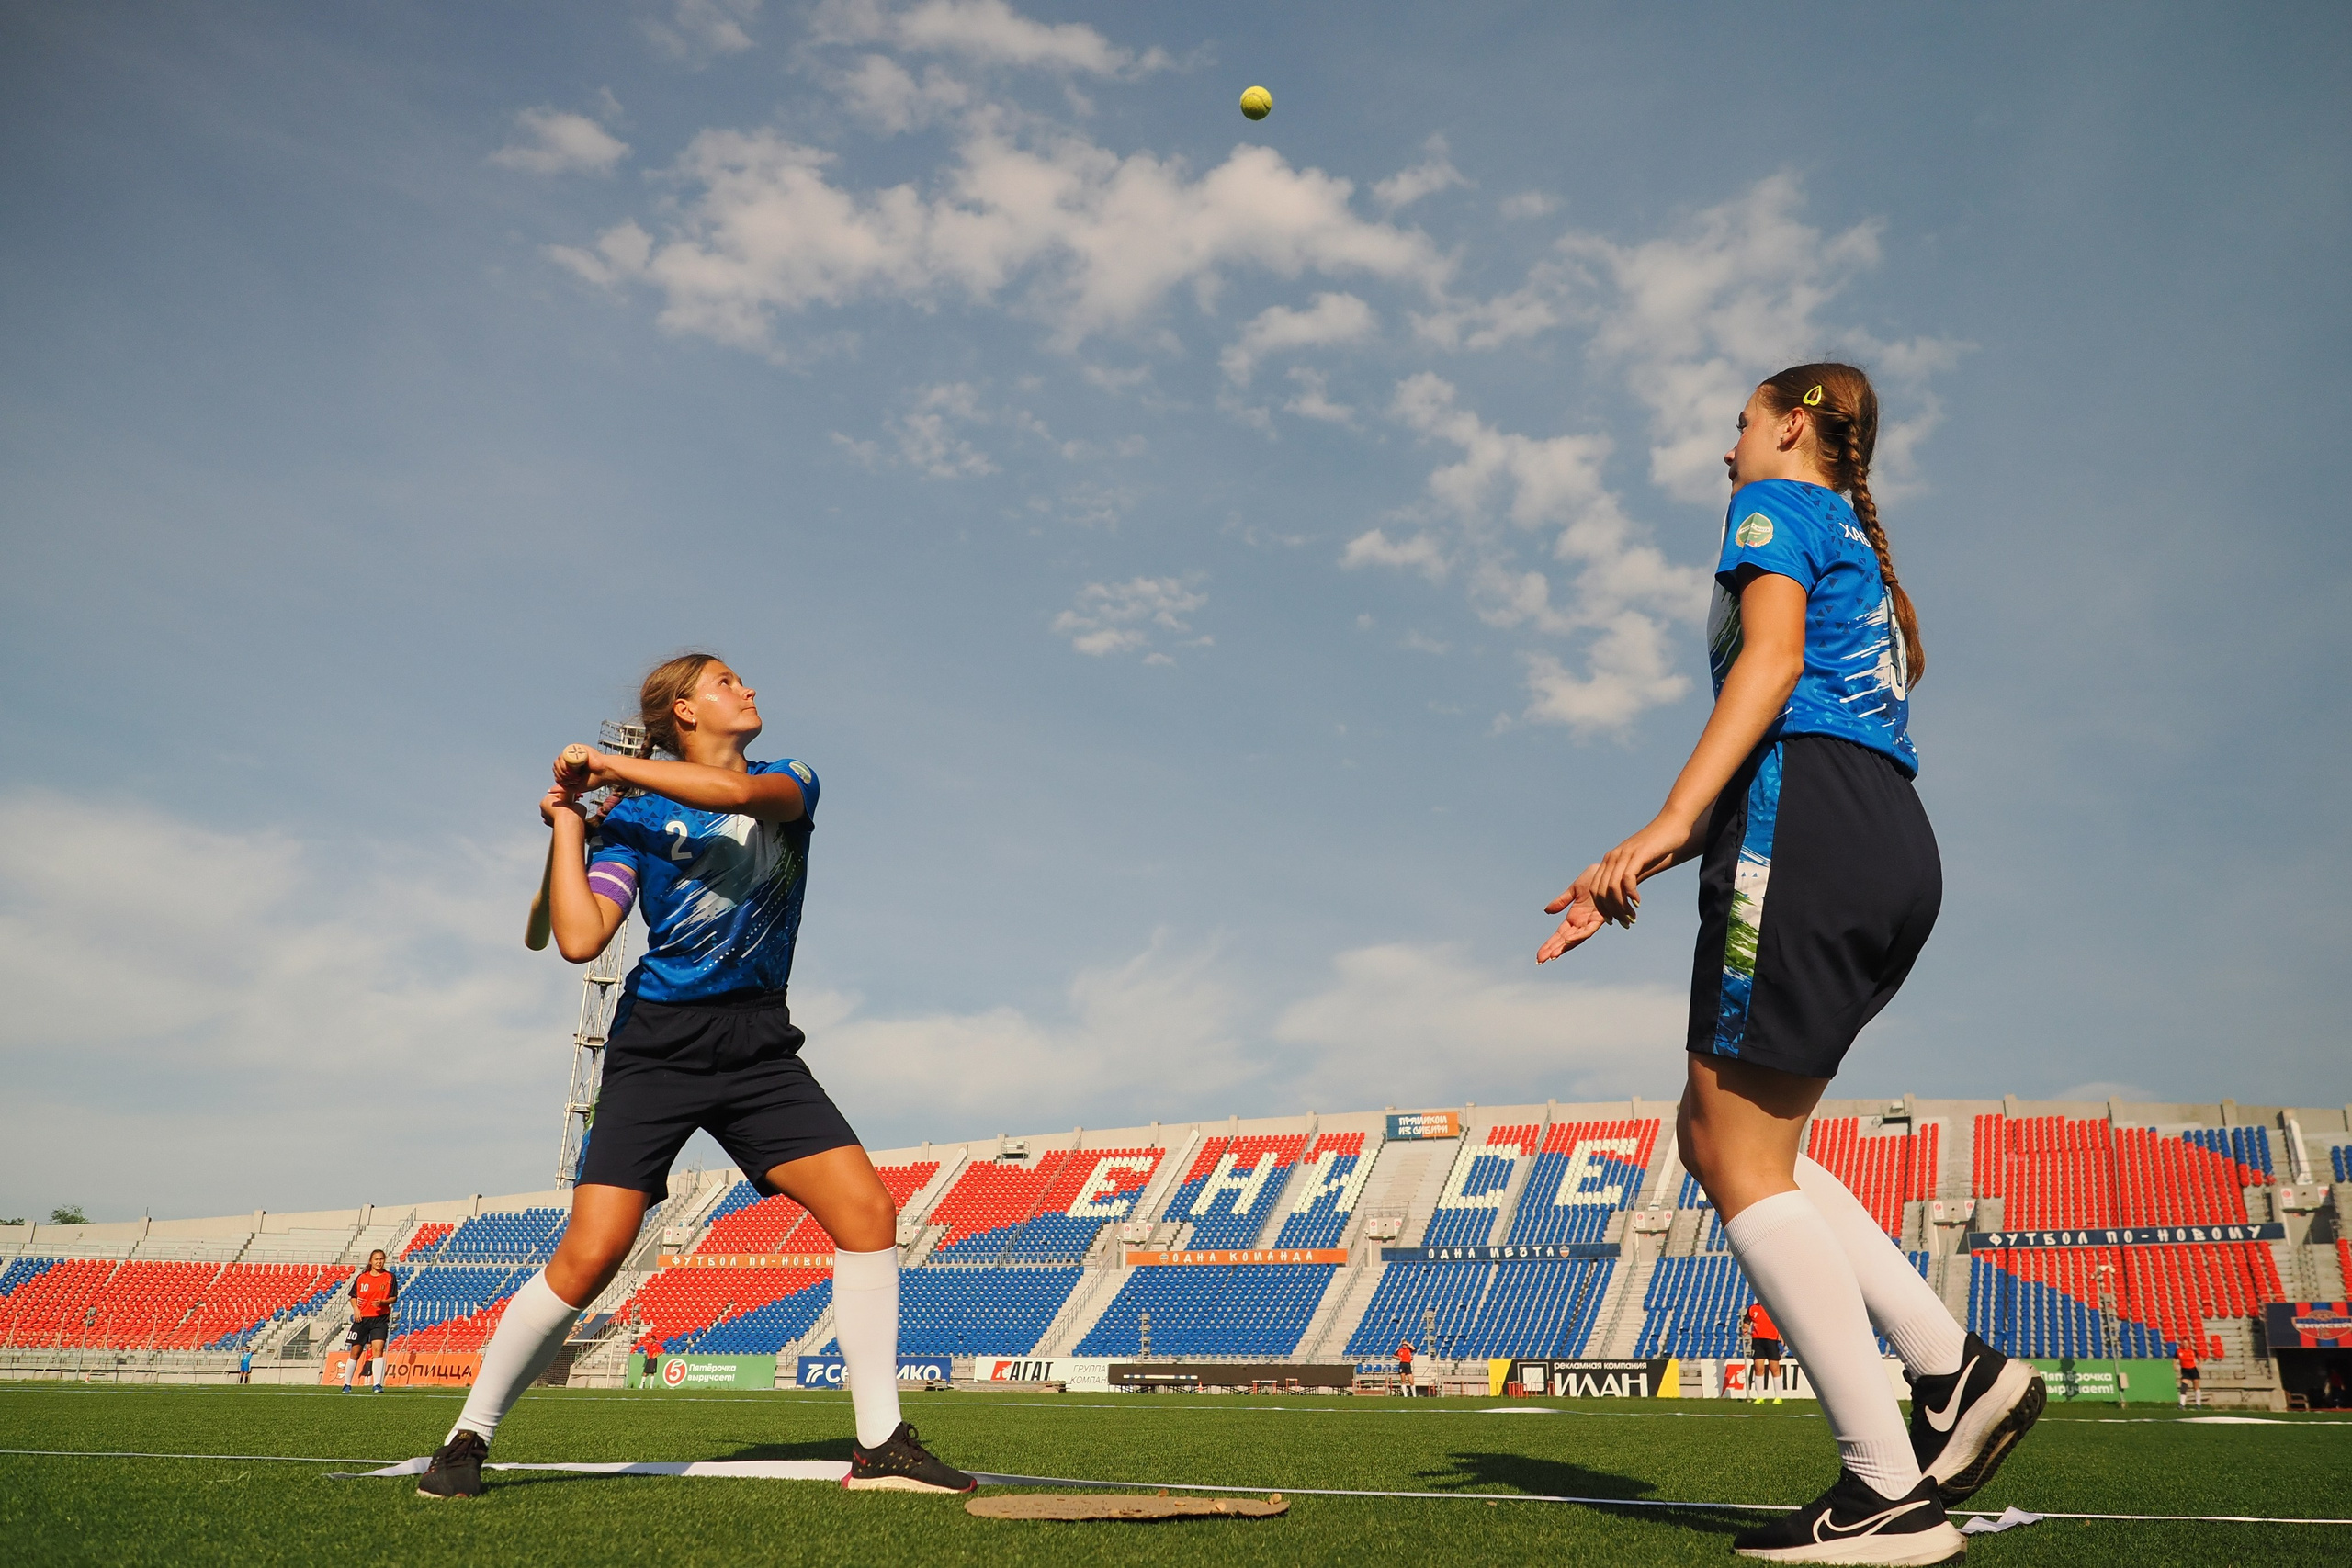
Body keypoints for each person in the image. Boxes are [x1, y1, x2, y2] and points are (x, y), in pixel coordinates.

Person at [1537, 365, 2041, 1563]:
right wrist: (1637, 862)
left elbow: (1769, 673)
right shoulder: (1858, 552)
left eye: (1741, 424)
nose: (1728, 450)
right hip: (1881, 837)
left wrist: (1665, 819)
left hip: (1805, 824)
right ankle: (1953, 1371)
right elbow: (1805, 717)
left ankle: (1886, 1492)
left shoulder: (1775, 506)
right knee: (1729, 1136)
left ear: (1793, 424)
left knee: (1734, 1151)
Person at [416, 654, 971, 1501]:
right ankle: (466, 1439)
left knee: (866, 1212)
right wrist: (569, 823)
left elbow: (736, 796)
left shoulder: (792, 779)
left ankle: (881, 1444)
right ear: (683, 708)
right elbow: (578, 937)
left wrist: (609, 771)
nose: (748, 689)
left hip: (759, 1044)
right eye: (725, 681)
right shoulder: (633, 820)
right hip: (657, 1046)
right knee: (591, 1252)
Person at [342, 1249, 398, 1394]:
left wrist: (383, 1302)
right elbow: (353, 1297)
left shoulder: (389, 1277)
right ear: (371, 1261)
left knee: (378, 1350)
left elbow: (394, 1297)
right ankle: (347, 1384)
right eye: (376, 1259)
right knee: (355, 1352)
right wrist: (356, 1309)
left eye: (381, 1259)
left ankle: (377, 1384)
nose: (379, 1262)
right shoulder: (362, 1278)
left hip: (380, 1319)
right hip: (362, 1319)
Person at [1746, 1300, 1786, 1404]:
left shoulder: (1773, 1307)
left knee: (1774, 1369)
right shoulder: (1753, 1308)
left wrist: (1781, 1334)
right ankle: (1760, 1397)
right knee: (1758, 1368)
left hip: (1771, 1340)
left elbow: (1781, 1321)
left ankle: (1778, 1397)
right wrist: (1745, 1328)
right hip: (1758, 1341)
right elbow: (1747, 1321)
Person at [2177, 1340, 2202, 1408]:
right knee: (2184, 1387)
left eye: (2186, 1343)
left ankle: (2198, 1404)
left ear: (2189, 1344)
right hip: (2185, 1370)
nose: (2185, 1344)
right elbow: (2174, 1359)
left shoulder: (2193, 1351)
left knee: (2196, 1387)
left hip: (2193, 1370)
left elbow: (2200, 1358)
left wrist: (2200, 1364)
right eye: (2184, 1343)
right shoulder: (2179, 1351)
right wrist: (2174, 1366)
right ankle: (2182, 1404)